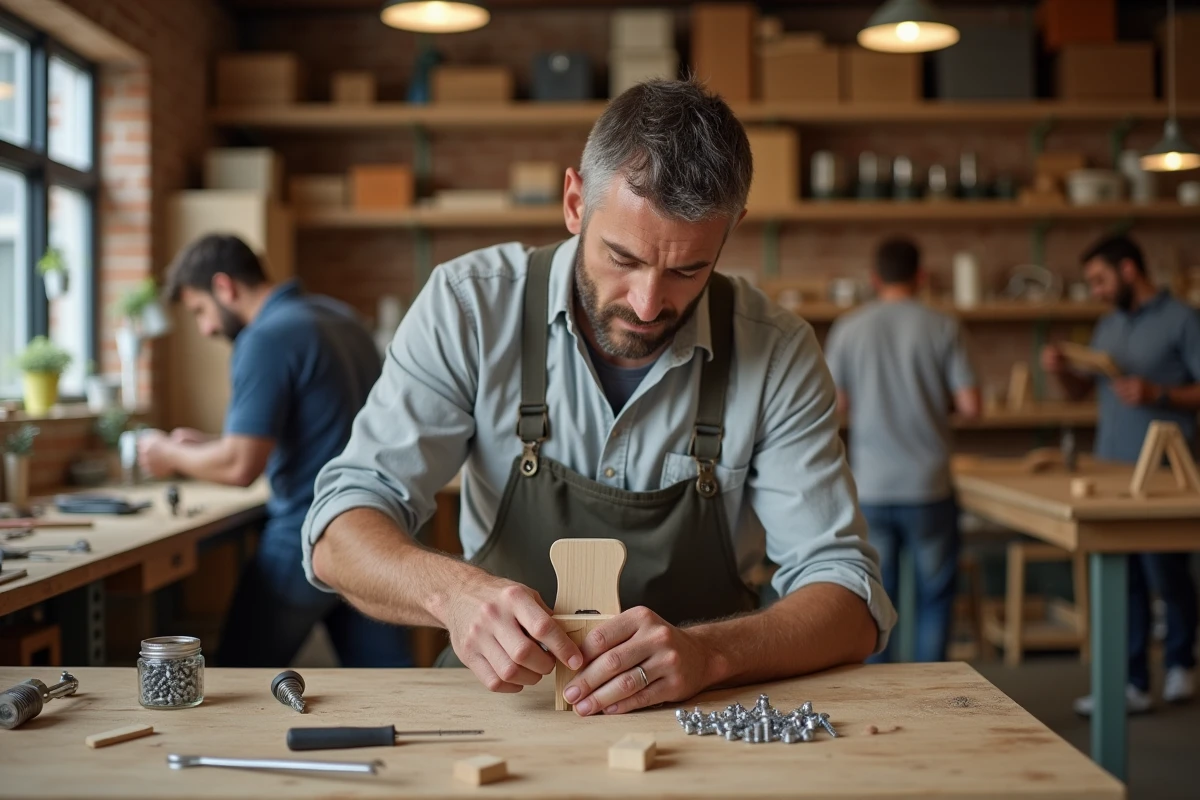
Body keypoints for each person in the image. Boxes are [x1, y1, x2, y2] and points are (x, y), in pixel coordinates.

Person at [302, 79, 895, 714]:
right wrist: (454, 595)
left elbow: (850, 599)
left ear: (731, 232)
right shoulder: (468, 307)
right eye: (623, 257)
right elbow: (340, 531)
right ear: (575, 202)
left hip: (701, 717)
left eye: (687, 270)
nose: (647, 304)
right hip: (504, 709)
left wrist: (713, 655)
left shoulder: (776, 351)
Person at [138, 234, 412, 668]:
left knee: (235, 681)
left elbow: (240, 465)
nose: (206, 328)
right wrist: (207, 445)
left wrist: (169, 455)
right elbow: (320, 428)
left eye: (200, 311)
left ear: (225, 287)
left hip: (306, 536)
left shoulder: (265, 337)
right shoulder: (342, 320)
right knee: (393, 686)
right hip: (372, 534)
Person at [1042, 234, 1199, 714]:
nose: (1095, 291)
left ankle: (1180, 663)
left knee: (1166, 571)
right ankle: (1131, 681)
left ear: (1129, 270)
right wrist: (1059, 370)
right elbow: (1076, 394)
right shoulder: (1107, 326)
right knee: (1121, 574)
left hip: (1165, 471)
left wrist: (1160, 394)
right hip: (1110, 466)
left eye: (1100, 280)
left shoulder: (1183, 320)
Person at [823, 238, 981, 663]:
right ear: (921, 277)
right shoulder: (943, 325)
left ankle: (887, 703)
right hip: (929, 485)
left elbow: (836, 405)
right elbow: (971, 406)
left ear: (874, 279)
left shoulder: (849, 328)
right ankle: (934, 699)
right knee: (935, 597)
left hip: (872, 487)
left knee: (876, 605)